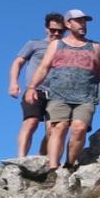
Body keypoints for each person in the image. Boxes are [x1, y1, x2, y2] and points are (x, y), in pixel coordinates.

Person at [25, 9, 100, 170]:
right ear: (68, 24)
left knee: (79, 129)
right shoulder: (56, 45)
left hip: (86, 96)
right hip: (58, 94)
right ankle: (54, 168)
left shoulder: (95, 47)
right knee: (58, 128)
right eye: (78, 21)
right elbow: (43, 67)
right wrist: (32, 87)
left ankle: (69, 165)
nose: (83, 24)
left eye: (84, 21)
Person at [10, 13, 64, 158]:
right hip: (35, 90)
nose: (56, 33)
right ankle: (21, 159)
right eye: (53, 30)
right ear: (46, 28)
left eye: (60, 31)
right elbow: (18, 62)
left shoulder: (66, 49)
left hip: (58, 94)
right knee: (31, 122)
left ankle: (42, 158)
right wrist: (14, 82)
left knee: (53, 129)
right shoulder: (34, 44)